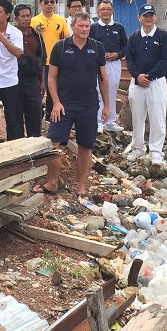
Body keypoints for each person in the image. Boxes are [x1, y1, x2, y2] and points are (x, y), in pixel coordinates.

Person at [36, 13, 108, 203]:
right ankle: (52, 183)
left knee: (86, 146)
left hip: (89, 105)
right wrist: (56, 102)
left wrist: (107, 106)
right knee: (53, 144)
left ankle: (81, 186)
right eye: (81, 26)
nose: (84, 29)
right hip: (64, 106)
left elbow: (103, 78)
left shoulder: (96, 47)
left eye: (87, 26)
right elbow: (51, 77)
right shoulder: (60, 47)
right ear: (73, 27)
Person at [125, 3, 167, 166]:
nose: (148, 18)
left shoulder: (162, 36)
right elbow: (129, 60)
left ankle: (156, 152)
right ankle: (138, 148)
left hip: (156, 82)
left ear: (155, 17)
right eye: (145, 15)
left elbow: (165, 60)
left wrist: (149, 76)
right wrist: (137, 76)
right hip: (137, 83)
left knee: (157, 117)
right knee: (137, 117)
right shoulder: (134, 37)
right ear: (139, 18)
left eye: (151, 15)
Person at [0, 0, 23, 142]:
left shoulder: (15, 33)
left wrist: (2, 39)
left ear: (7, 15)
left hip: (10, 82)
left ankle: (12, 146)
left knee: (11, 118)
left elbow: (18, 53)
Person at [89, 0, 127, 133]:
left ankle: (111, 121)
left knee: (112, 90)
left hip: (114, 64)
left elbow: (125, 46)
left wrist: (117, 54)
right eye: (103, 9)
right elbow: (88, 45)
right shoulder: (93, 28)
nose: (106, 12)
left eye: (108, 9)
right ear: (98, 12)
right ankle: (99, 121)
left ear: (113, 11)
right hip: (96, 65)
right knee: (98, 91)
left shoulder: (119, 28)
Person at [31, 0, 69, 116]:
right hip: (39, 61)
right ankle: (37, 114)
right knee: (39, 88)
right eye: (46, 2)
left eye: (52, 2)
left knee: (55, 88)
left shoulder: (61, 21)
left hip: (56, 62)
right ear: (39, 4)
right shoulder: (33, 21)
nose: (49, 4)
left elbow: (66, 40)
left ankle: (51, 113)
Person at [13, 3, 45, 137]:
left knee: (35, 113)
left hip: (33, 80)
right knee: (16, 115)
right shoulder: (11, 35)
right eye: (22, 16)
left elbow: (43, 60)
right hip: (15, 79)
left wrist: (42, 82)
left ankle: (35, 143)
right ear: (16, 19)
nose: (26, 19)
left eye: (28, 16)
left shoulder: (37, 36)